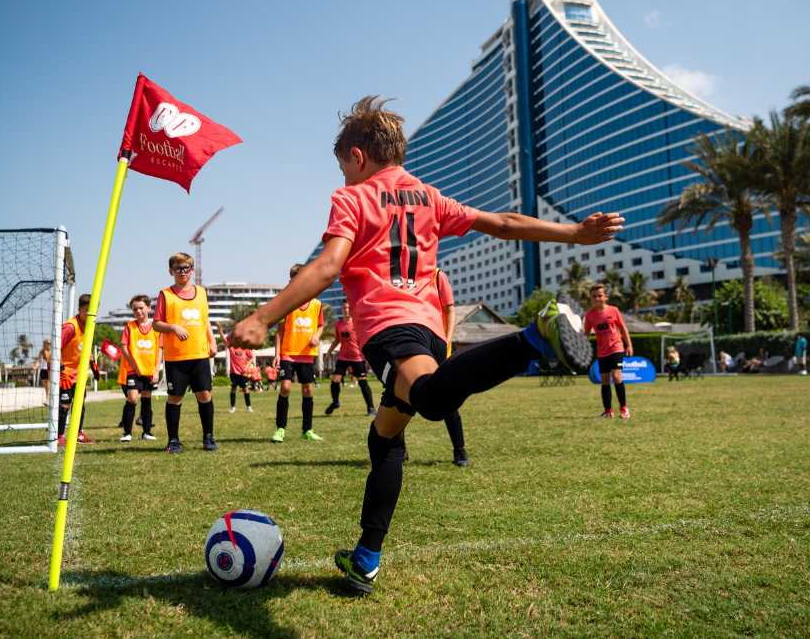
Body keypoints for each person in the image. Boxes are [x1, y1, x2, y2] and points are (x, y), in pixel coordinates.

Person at [228, 96, 620, 594]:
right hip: (429, 329)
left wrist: (263, 317)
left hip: (392, 328)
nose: (344, 176)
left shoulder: (353, 198)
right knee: (384, 435)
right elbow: (502, 223)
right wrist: (573, 233)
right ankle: (365, 558)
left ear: (356, 156)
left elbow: (327, 266)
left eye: (344, 167)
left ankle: (532, 338)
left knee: (432, 401)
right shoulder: (428, 195)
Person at [152, 252, 219, 452]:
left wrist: (212, 340)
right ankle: (173, 441)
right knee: (175, 397)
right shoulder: (165, 294)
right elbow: (156, 324)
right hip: (176, 357)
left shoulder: (201, 292)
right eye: (178, 269)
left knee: (205, 395)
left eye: (186, 268)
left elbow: (205, 319)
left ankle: (208, 437)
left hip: (199, 354)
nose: (183, 272)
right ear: (171, 271)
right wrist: (173, 328)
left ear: (192, 270)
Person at [271, 263, 325, 443]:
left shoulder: (317, 304)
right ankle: (280, 429)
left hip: (307, 354)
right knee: (285, 387)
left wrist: (317, 336)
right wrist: (277, 354)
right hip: (288, 352)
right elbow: (279, 332)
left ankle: (307, 430)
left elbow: (321, 325)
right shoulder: (286, 304)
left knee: (308, 389)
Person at [434, 268, 470, 466]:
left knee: (448, 401)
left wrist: (446, 341)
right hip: (412, 345)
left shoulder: (437, 275)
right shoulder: (400, 277)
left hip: (438, 347)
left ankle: (459, 449)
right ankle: (400, 450)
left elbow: (449, 309)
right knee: (402, 397)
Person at [584, 283, 633, 418]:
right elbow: (586, 334)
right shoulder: (589, 315)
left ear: (605, 297)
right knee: (604, 380)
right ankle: (608, 411)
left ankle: (624, 408)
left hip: (616, 347)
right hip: (602, 351)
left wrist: (629, 345)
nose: (597, 298)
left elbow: (623, 329)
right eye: (594, 296)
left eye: (600, 296)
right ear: (591, 299)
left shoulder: (614, 310)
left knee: (617, 376)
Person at [58, 294, 100, 446]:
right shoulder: (70, 327)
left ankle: (78, 433)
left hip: (79, 374)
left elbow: (84, 347)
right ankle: (59, 437)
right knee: (65, 405)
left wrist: (93, 365)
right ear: (79, 309)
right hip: (65, 374)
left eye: (93, 310)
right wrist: (61, 370)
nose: (90, 314)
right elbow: (54, 348)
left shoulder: (90, 325)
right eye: (86, 310)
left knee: (80, 404)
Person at [118, 294, 160, 442]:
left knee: (147, 399)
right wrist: (134, 366)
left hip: (149, 371)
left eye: (141, 308)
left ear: (148, 307)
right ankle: (127, 433)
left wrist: (156, 371)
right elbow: (124, 347)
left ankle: (147, 432)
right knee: (133, 398)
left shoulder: (156, 326)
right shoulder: (129, 326)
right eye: (135, 309)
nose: (138, 311)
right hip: (133, 370)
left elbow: (160, 349)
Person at [325, 300, 377, 417]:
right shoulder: (338, 324)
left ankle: (371, 408)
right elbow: (337, 340)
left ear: (351, 309)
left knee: (363, 382)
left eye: (348, 308)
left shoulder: (357, 323)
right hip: (343, 356)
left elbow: (364, 338)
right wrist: (329, 351)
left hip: (357, 357)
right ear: (342, 309)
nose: (346, 310)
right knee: (335, 380)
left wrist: (368, 354)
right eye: (344, 308)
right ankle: (335, 402)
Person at [225, 332, 255, 413]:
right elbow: (225, 339)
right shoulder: (231, 348)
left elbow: (251, 358)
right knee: (233, 389)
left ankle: (249, 407)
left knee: (245, 389)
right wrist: (220, 329)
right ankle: (232, 407)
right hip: (233, 373)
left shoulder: (245, 348)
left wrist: (246, 366)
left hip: (243, 373)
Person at [38, 339, 52, 405]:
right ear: (45, 344)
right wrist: (36, 365)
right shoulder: (42, 351)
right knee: (46, 386)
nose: (49, 344)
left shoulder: (52, 351)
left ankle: (47, 400)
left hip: (50, 369)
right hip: (43, 369)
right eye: (47, 343)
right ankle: (47, 399)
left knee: (49, 385)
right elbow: (39, 359)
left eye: (49, 343)